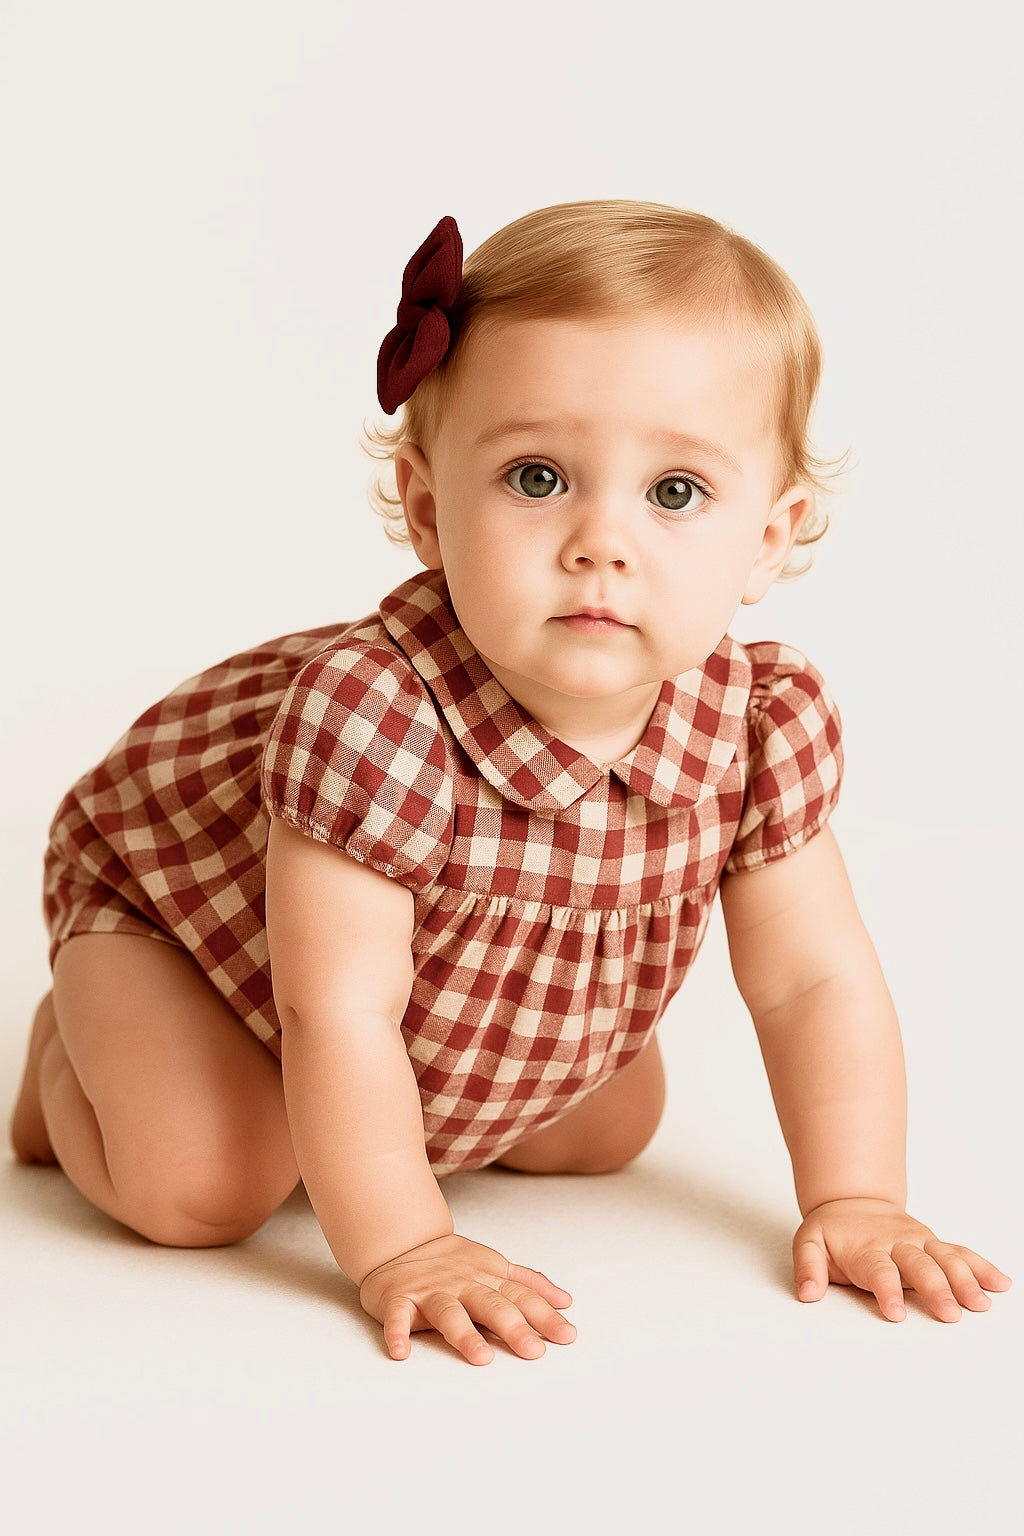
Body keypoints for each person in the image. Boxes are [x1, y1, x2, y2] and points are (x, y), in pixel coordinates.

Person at [10, 201, 1011, 1366]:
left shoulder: (753, 723)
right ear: (430, 507)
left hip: (442, 999)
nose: (599, 540)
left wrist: (858, 1200)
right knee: (201, 1185)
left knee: (609, 1127)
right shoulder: (377, 720)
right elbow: (335, 1009)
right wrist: (404, 1244)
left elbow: (811, 982)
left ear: (771, 537)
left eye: (675, 492)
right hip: (196, 932)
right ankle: (70, 1051)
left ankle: (416, 1109)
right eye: (536, 477)